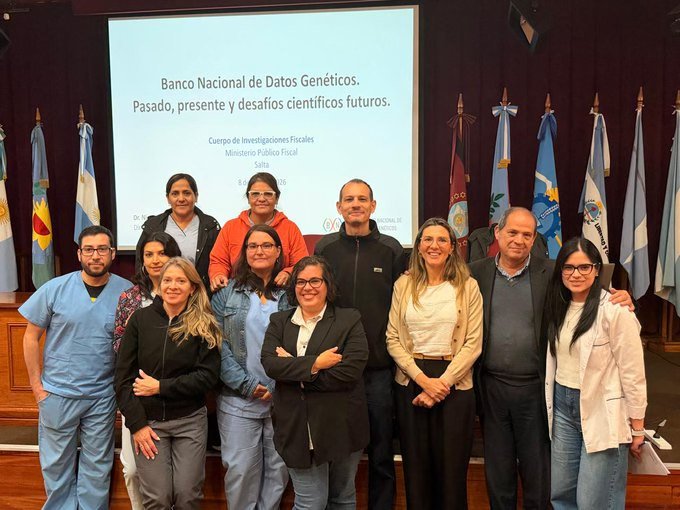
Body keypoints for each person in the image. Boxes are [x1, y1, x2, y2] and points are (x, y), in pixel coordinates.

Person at [468, 207, 633, 510]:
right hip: (491, 388)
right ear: (497, 233)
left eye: (527, 234)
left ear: (534, 239)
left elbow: (586, 286)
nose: (519, 240)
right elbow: (438, 280)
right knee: (498, 469)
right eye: (512, 232)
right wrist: (412, 273)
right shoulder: (475, 272)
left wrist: (617, 295)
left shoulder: (552, 272)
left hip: (535, 387)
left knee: (538, 471)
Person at [19, 225, 132, 510]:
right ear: (79, 254)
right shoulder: (55, 289)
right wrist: (37, 388)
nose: (96, 255)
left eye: (102, 249)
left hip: (101, 396)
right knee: (57, 467)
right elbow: (30, 337)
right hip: (58, 393)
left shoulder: (127, 293)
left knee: (97, 467)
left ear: (113, 253)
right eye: (89, 249)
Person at [314, 178, 405, 510]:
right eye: (349, 200)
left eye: (362, 199)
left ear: (373, 206)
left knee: (381, 451)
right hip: (334, 367)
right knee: (334, 449)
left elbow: (401, 304)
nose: (356, 204)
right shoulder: (325, 248)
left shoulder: (392, 249)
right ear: (339, 207)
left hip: (378, 369)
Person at [386, 217, 482, 509]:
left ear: (452, 247)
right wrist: (423, 381)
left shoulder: (468, 286)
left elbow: (473, 343)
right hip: (411, 380)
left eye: (442, 240)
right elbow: (392, 338)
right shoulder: (403, 284)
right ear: (418, 246)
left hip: (455, 383)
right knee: (416, 471)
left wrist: (442, 384)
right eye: (428, 239)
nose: (434, 245)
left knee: (452, 473)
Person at [544, 237, 646, 509]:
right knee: (562, 494)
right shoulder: (558, 305)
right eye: (569, 267)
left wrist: (637, 426)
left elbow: (633, 373)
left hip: (602, 408)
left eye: (584, 267)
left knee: (593, 501)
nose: (576, 274)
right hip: (563, 408)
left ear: (597, 269)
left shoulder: (615, 309)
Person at [261, 255, 369, 509]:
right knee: (311, 503)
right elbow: (270, 364)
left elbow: (349, 371)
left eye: (314, 281)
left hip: (341, 425)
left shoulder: (348, 319)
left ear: (327, 284)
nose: (307, 287)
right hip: (296, 428)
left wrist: (296, 372)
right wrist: (316, 363)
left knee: (342, 499)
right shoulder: (280, 322)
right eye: (300, 281)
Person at [115, 257, 221, 510]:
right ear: (159, 285)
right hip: (148, 423)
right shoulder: (140, 320)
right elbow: (122, 379)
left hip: (189, 421)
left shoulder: (204, 323)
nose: (173, 286)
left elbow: (208, 377)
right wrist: (137, 425)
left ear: (192, 287)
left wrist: (160, 387)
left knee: (187, 496)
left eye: (180, 281)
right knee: (158, 498)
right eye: (168, 280)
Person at [211, 225, 291, 509]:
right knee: (241, 472)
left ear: (278, 251)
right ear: (244, 252)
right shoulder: (225, 294)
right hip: (238, 399)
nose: (260, 251)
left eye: (267, 245)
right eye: (253, 246)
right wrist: (247, 385)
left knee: (278, 473)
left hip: (283, 398)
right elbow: (216, 346)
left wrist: (275, 386)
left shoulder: (291, 294)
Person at [113, 232, 181, 510]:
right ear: (141, 260)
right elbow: (119, 347)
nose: (156, 260)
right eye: (149, 254)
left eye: (162, 253)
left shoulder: (187, 293)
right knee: (132, 470)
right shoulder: (130, 298)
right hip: (137, 395)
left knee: (175, 479)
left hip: (178, 397)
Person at [208, 172, 308, 291]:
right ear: (248, 198)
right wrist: (218, 274)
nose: (261, 199)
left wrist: (288, 273)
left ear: (277, 198)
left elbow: (302, 264)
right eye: (255, 194)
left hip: (279, 293)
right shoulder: (231, 227)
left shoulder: (290, 228)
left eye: (268, 194)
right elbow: (218, 261)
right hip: (237, 293)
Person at [135, 173, 220, 293]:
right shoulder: (154, 226)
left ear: (196, 196)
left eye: (187, 193)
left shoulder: (210, 226)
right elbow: (140, 263)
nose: (181, 199)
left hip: (199, 294)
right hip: (163, 294)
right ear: (168, 198)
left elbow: (218, 262)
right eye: (175, 194)